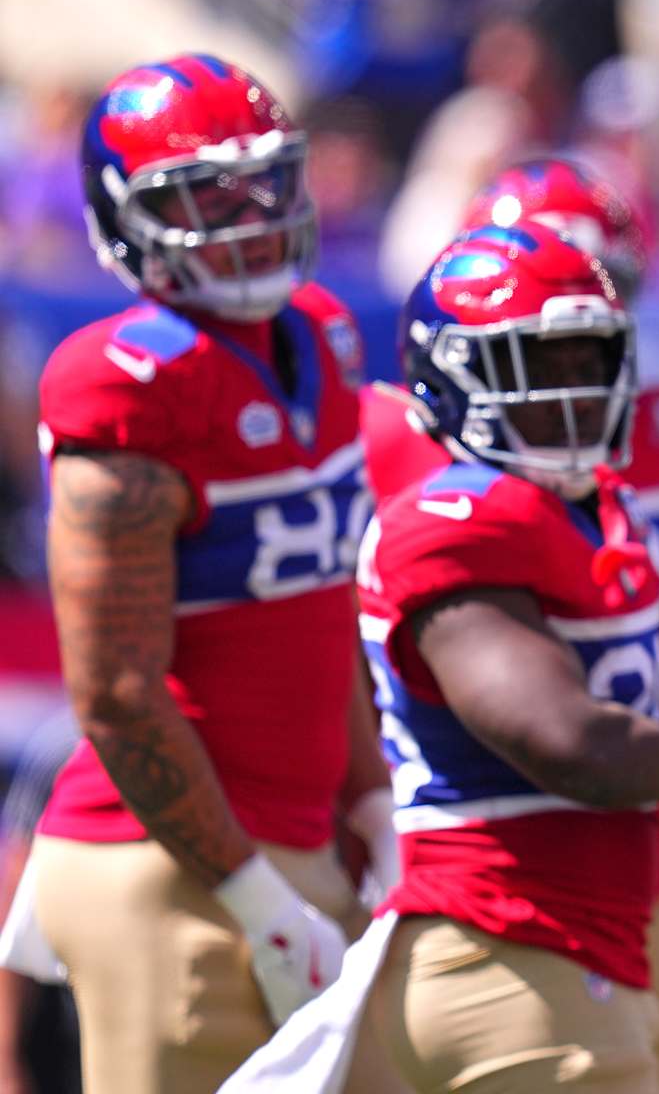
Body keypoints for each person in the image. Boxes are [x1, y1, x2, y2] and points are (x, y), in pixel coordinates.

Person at [268, 221, 659, 1094]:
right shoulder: (458, 519)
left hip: (568, 952)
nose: (574, 393)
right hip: (507, 952)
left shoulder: (591, 508)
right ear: (452, 376)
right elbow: (575, 748)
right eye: (538, 367)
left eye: (590, 364)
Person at [0, 54, 400, 1093]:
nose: (247, 218)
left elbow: (323, 619)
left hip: (300, 846)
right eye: (205, 197)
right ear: (124, 218)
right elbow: (118, 691)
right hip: (169, 862)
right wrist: (254, 897)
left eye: (263, 185)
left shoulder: (322, 335)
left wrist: (369, 804)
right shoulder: (126, 379)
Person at [457, 157, 659, 1094]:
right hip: (475, 822)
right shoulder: (426, 441)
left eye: (592, 298)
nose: (569, 342)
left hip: (651, 809)